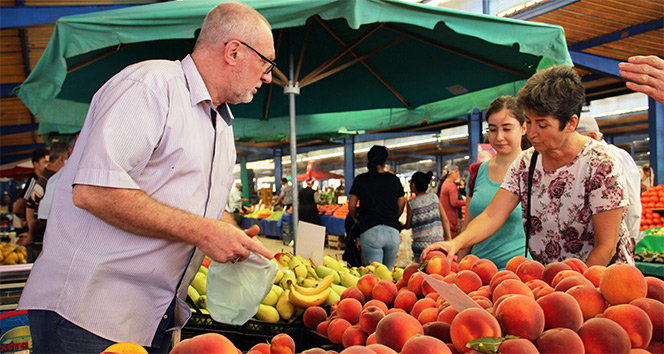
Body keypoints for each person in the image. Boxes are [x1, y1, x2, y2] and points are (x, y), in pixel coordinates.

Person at [17, 2, 275, 352]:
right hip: (90, 314)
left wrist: (228, 231)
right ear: (233, 52)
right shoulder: (150, 86)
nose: (268, 76)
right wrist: (204, 231)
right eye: (266, 63)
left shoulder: (221, 126)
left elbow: (199, 208)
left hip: (154, 318)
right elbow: (94, 190)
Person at [422, 65, 632, 267]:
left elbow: (606, 247)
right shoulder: (526, 163)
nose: (531, 133)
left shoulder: (600, 164)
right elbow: (492, 215)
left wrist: (575, 289)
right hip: (548, 281)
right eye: (529, 122)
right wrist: (455, 243)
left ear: (570, 123)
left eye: (542, 125)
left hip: (598, 281)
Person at [460, 96, 531, 270]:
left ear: (523, 128)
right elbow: (468, 225)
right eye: (492, 130)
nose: (499, 137)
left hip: (520, 276)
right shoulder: (478, 172)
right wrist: (459, 270)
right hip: (477, 274)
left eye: (507, 129)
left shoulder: (534, 170)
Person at [577, 115, 643, 252]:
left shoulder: (613, 155)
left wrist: (631, 237)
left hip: (615, 245)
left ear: (592, 136)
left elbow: (631, 199)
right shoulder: (583, 161)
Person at [348, 145, 405, 270]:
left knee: (374, 276)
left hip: (370, 230)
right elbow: (401, 203)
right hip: (392, 232)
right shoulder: (394, 180)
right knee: (388, 274)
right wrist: (394, 217)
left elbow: (351, 205)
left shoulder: (360, 180)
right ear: (386, 161)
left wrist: (356, 219)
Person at [18, 143, 69, 262]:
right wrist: (31, 235)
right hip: (43, 246)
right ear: (61, 159)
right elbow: (38, 218)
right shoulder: (49, 181)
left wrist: (30, 231)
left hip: (40, 244)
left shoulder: (43, 179)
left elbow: (30, 206)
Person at [404, 171, 452, 261]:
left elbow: (408, 225)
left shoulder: (411, 203)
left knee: (421, 270)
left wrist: (400, 226)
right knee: (437, 268)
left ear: (413, 185)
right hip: (437, 242)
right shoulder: (434, 197)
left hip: (420, 245)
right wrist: (448, 238)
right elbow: (445, 219)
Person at [13, 147, 49, 220]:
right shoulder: (33, 182)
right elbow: (17, 210)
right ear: (35, 164)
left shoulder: (43, 180)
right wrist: (29, 220)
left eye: (49, 162)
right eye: (45, 162)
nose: (48, 165)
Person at [439, 165, 465, 239]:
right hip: (451, 220)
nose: (458, 174)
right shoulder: (451, 185)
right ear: (450, 173)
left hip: (446, 219)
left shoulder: (445, 184)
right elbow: (454, 202)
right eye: (456, 172)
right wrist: (465, 202)